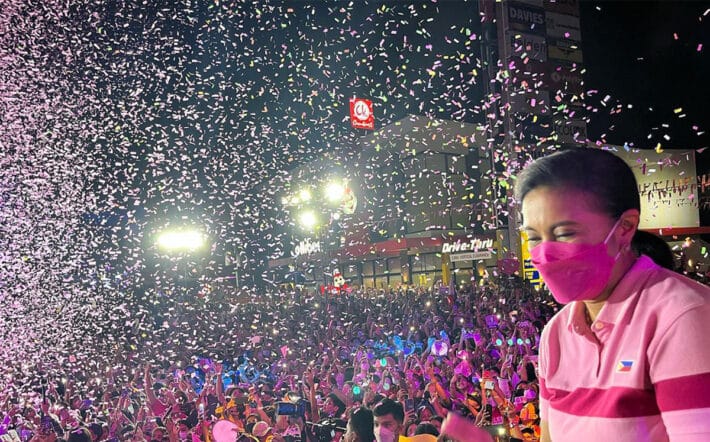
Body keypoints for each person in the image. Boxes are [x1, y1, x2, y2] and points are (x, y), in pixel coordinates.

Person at [514, 147, 710, 441]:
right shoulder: (555, 334)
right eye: (534, 238)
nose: (545, 251)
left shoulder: (683, 315)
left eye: (565, 233)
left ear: (625, 228)